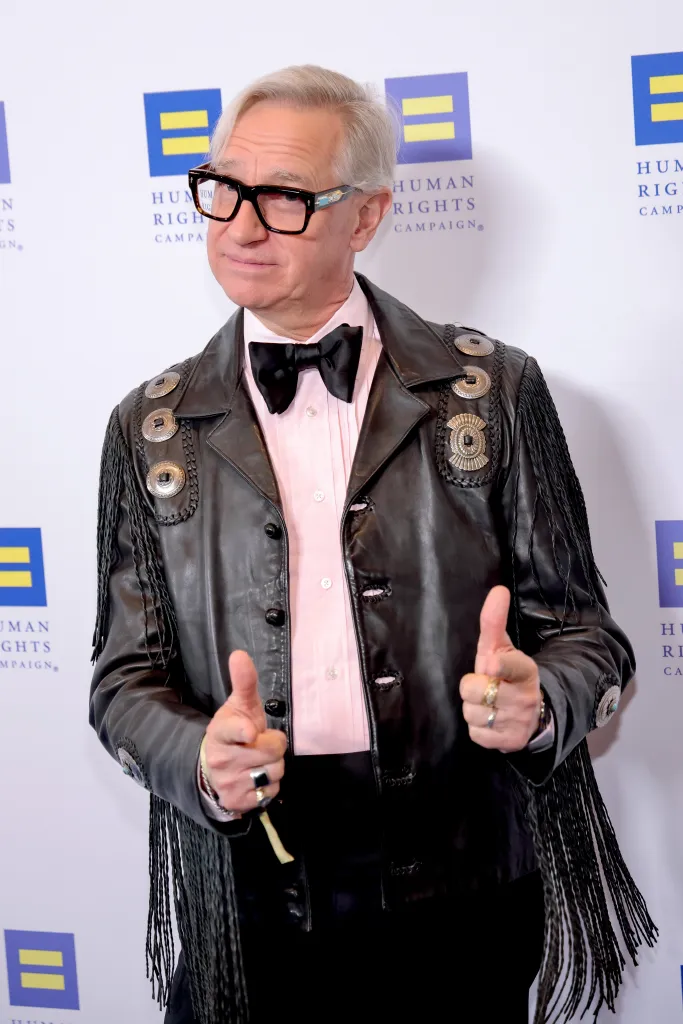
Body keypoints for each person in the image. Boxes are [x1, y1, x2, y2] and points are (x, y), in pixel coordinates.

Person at [90, 65, 655, 1024]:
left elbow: (590, 642)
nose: (239, 224)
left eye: (283, 198)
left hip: (460, 882)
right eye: (223, 188)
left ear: (366, 216)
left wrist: (540, 702)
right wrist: (197, 757)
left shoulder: (494, 393)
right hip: (246, 891)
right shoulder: (152, 428)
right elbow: (119, 682)